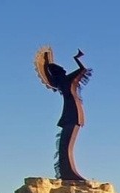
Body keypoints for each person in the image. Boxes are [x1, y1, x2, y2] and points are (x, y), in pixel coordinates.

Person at [35, 46, 92, 181]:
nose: (64, 70)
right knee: (66, 145)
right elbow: (83, 70)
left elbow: (82, 71)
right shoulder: (66, 81)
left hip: (71, 112)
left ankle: (68, 171)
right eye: (61, 69)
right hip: (73, 113)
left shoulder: (63, 82)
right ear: (59, 73)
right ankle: (69, 172)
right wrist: (76, 59)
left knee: (66, 145)